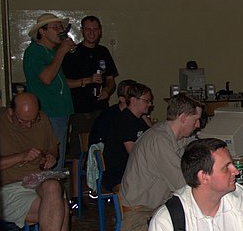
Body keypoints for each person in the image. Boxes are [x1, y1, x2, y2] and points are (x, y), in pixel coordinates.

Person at [0, 93, 92, 231]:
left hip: (39, 181)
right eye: (23, 121)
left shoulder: (42, 118)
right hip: (8, 189)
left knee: (54, 186)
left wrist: (51, 157)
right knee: (61, 207)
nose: (29, 125)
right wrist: (21, 156)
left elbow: (52, 147)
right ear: (10, 112)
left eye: (33, 120)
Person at [118, 94, 204, 231]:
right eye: (195, 120)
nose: (197, 125)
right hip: (137, 224)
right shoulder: (159, 141)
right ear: (183, 118)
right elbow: (183, 185)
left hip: (152, 213)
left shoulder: (173, 137)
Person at [22, 13, 75, 168]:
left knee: (59, 155)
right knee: (52, 158)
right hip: (49, 112)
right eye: (55, 27)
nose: (60, 30)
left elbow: (60, 82)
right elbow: (46, 78)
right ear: (42, 31)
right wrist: (61, 52)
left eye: (61, 27)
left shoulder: (51, 52)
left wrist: (86, 81)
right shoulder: (35, 52)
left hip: (60, 111)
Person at [62, 15, 119, 157]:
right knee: (79, 152)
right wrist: (87, 80)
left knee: (103, 148)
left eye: (95, 29)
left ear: (100, 31)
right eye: (88, 29)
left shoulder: (103, 51)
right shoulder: (72, 53)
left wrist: (107, 90)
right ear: (82, 31)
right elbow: (64, 83)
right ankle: (77, 173)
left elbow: (111, 80)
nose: (92, 33)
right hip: (81, 110)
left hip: (101, 108)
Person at [101, 83, 153, 191]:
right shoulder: (125, 121)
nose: (150, 104)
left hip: (132, 170)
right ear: (133, 100)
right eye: (146, 101)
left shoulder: (137, 119)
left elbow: (153, 135)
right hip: (121, 175)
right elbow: (134, 153)